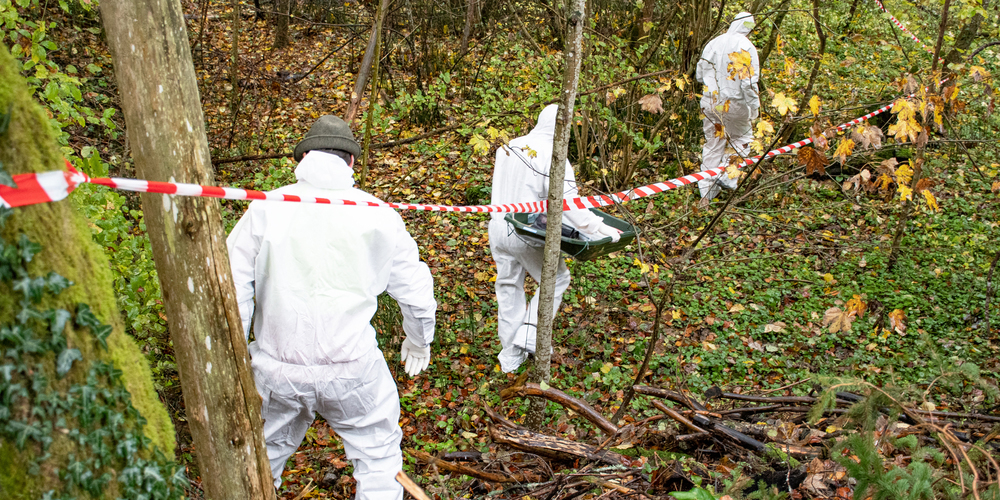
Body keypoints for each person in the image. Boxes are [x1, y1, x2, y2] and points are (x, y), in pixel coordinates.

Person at [227, 115, 437, 499]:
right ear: (352, 162)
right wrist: (419, 340)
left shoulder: (266, 208)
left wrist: (234, 353)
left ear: (302, 157)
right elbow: (416, 291)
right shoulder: (379, 214)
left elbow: (232, 285)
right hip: (353, 371)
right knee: (378, 459)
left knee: (260, 459)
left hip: (277, 370)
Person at [488, 104, 621, 373]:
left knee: (508, 287)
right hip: (524, 230)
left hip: (497, 227)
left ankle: (510, 357)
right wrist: (600, 229)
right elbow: (568, 203)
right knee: (557, 278)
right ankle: (529, 336)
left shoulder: (512, 145)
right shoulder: (554, 154)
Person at [696, 12, 760, 206]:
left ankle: (706, 197)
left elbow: (700, 74)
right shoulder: (746, 46)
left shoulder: (713, 43)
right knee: (744, 139)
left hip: (710, 101)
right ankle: (727, 173)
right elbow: (749, 82)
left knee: (713, 145)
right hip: (735, 104)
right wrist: (755, 108)